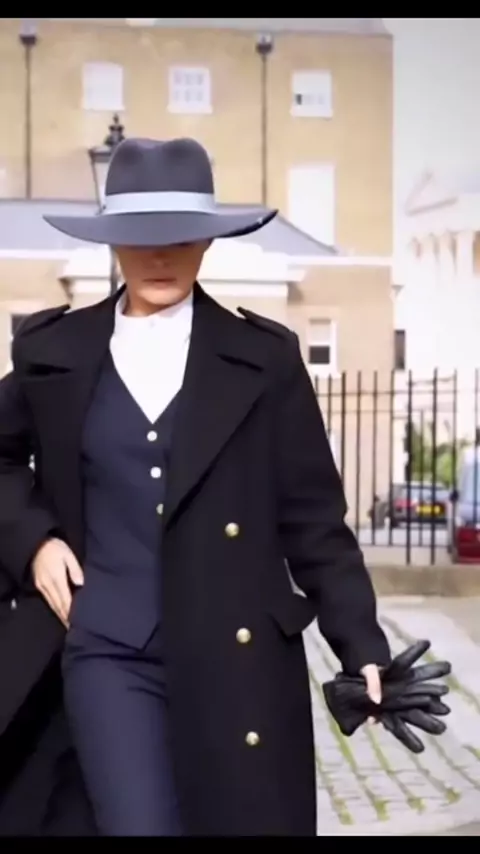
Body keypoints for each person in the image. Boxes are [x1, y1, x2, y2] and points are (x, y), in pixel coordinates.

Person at [0, 137, 391, 837]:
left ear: (209, 241)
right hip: (105, 649)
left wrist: (361, 644)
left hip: (233, 653)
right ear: (111, 241)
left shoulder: (265, 360)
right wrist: (35, 541)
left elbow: (314, 520)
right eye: (140, 237)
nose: (160, 256)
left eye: (179, 237)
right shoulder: (52, 354)